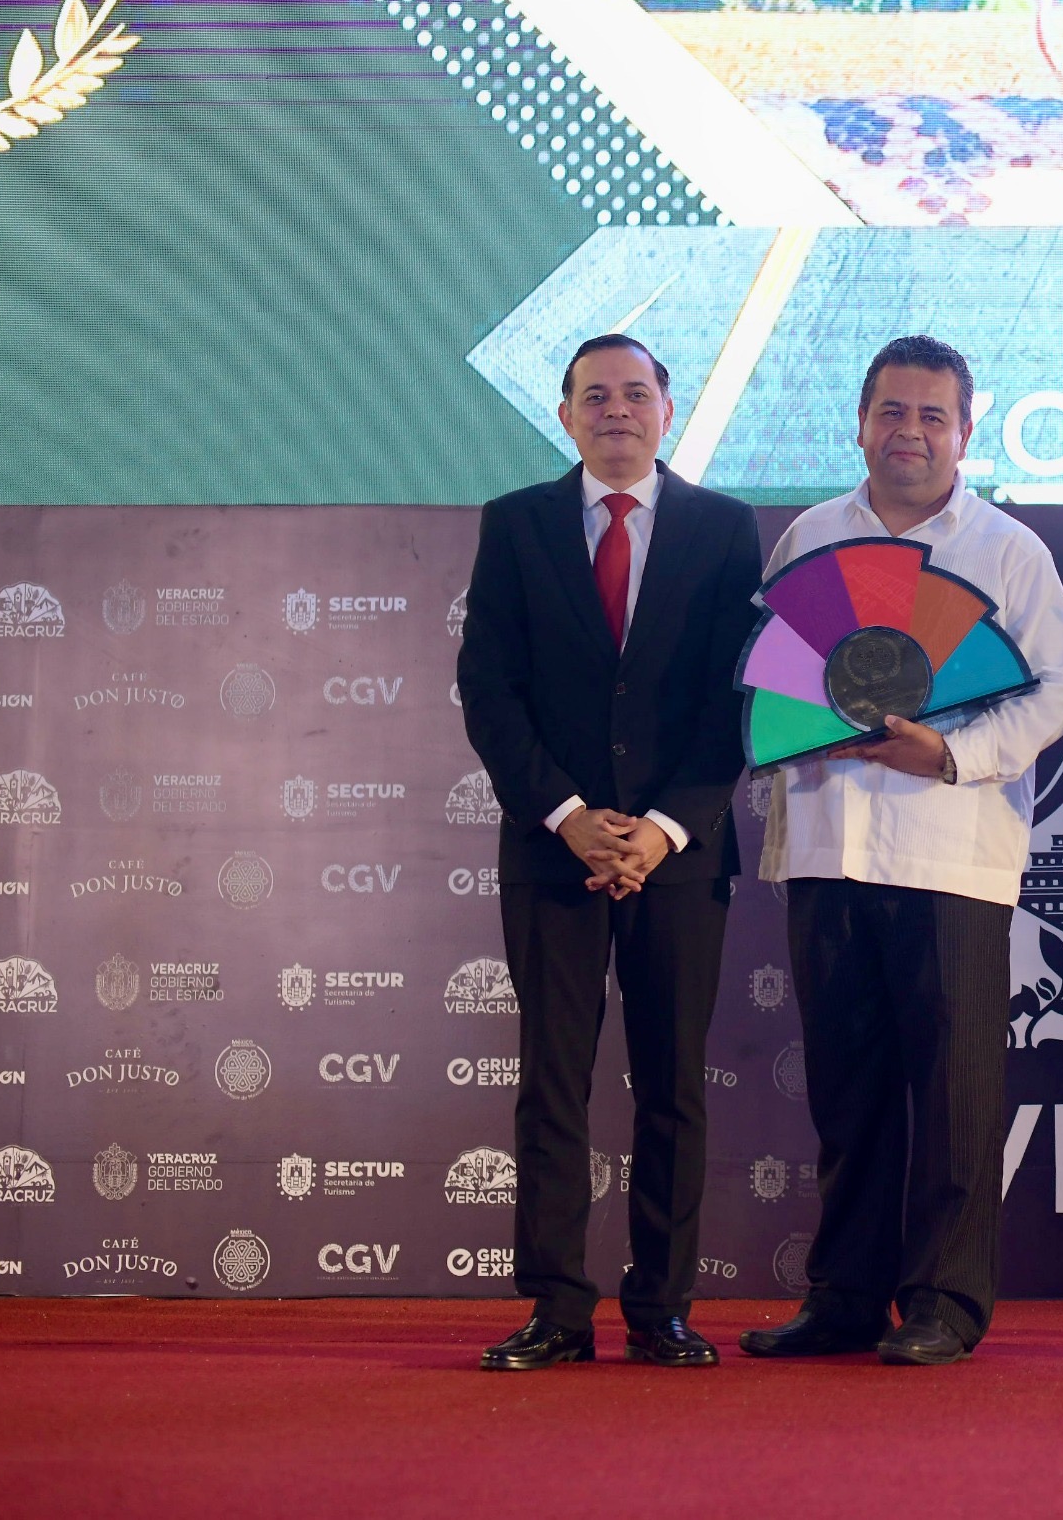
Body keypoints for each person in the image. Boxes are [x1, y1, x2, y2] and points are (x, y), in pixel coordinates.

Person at [739, 334, 1063, 1367]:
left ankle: (946, 1300)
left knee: (953, 1091)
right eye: (892, 411)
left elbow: (1061, 688)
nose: (911, 432)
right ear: (860, 423)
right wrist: (792, 729)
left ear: (965, 432)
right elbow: (773, 677)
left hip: (951, 850)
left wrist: (953, 752)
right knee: (848, 1092)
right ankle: (844, 1297)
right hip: (825, 844)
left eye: (933, 415)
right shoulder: (809, 535)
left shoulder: (1007, 548)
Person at [456, 333, 763, 1370]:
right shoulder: (515, 524)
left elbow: (738, 695)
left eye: (636, 393)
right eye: (597, 395)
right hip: (553, 851)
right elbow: (489, 689)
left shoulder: (725, 528)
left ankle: (662, 1307)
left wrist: (663, 827)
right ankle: (555, 1307)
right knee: (553, 1083)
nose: (617, 410)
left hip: (679, 855)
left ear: (667, 411)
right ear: (566, 414)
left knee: (672, 1085)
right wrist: (569, 813)